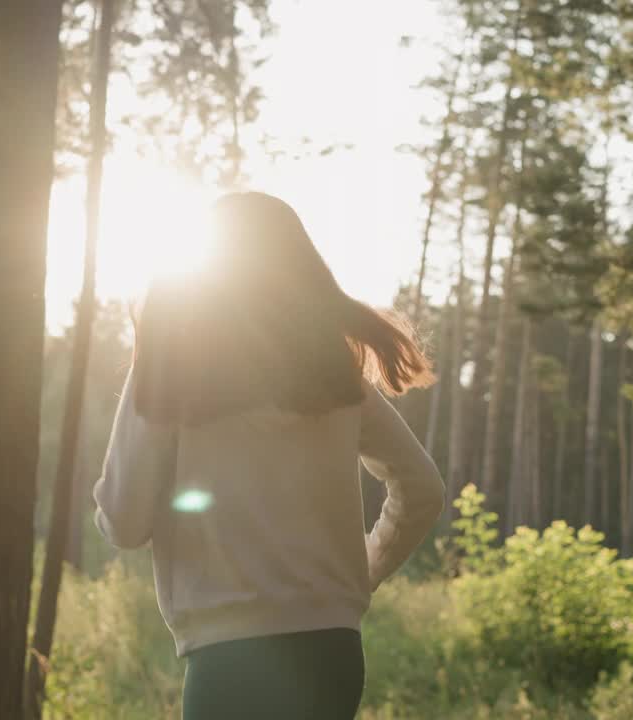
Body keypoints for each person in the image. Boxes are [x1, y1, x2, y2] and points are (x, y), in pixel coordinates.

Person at [93, 192, 445, 719]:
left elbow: (124, 523)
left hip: (229, 662)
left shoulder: (170, 374)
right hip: (332, 653)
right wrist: (359, 575)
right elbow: (423, 488)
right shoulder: (336, 381)